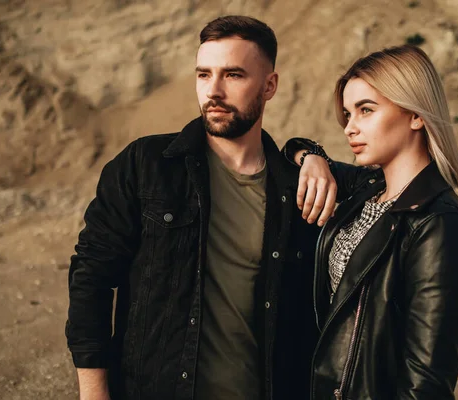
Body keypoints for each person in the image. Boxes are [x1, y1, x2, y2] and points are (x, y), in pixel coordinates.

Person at [65, 15, 336, 400]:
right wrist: (93, 394)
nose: (214, 90)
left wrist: (312, 153)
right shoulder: (145, 164)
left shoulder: (298, 189)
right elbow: (90, 276)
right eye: (204, 74)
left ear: (269, 85)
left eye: (234, 75)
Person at [285, 44, 458, 399]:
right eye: (347, 114)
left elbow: (426, 381)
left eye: (366, 110)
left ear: (415, 115)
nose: (350, 128)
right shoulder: (367, 188)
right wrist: (312, 156)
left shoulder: (442, 227)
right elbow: (289, 152)